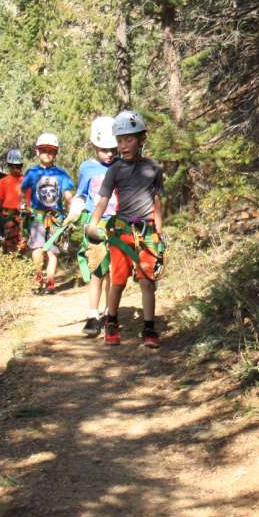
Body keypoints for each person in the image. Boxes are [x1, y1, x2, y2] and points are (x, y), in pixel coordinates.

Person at [85, 110, 165, 348]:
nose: (123, 145)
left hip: (147, 230)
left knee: (147, 280)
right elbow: (102, 201)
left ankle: (149, 328)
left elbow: (158, 203)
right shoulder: (115, 170)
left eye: (129, 139)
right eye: (119, 140)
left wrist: (159, 234)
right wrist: (93, 224)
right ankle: (111, 321)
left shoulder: (153, 168)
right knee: (117, 279)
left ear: (141, 140)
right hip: (120, 231)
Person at [68, 116, 118, 336]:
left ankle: (110, 313)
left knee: (114, 271)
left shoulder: (122, 165)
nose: (109, 153)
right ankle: (92, 314)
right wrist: (74, 212)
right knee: (98, 270)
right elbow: (81, 195)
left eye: (113, 149)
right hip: (95, 226)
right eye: (104, 149)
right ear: (94, 145)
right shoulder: (87, 167)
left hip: (118, 225)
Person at [21, 132, 75, 294]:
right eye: (44, 150)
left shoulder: (61, 174)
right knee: (37, 249)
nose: (47, 154)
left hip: (56, 218)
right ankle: (39, 279)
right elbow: (23, 191)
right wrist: (25, 207)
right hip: (37, 217)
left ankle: (50, 283)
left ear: (56, 153)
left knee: (52, 252)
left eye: (51, 151)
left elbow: (67, 195)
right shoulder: (31, 173)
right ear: (37, 152)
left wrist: (72, 213)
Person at [0, 148, 27, 254]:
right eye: (13, 166)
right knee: (9, 243)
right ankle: (10, 265)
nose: (16, 169)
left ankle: (22, 265)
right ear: (9, 165)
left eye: (18, 166)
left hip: (24, 216)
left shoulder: (27, 180)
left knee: (24, 243)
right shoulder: (3, 182)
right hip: (8, 217)